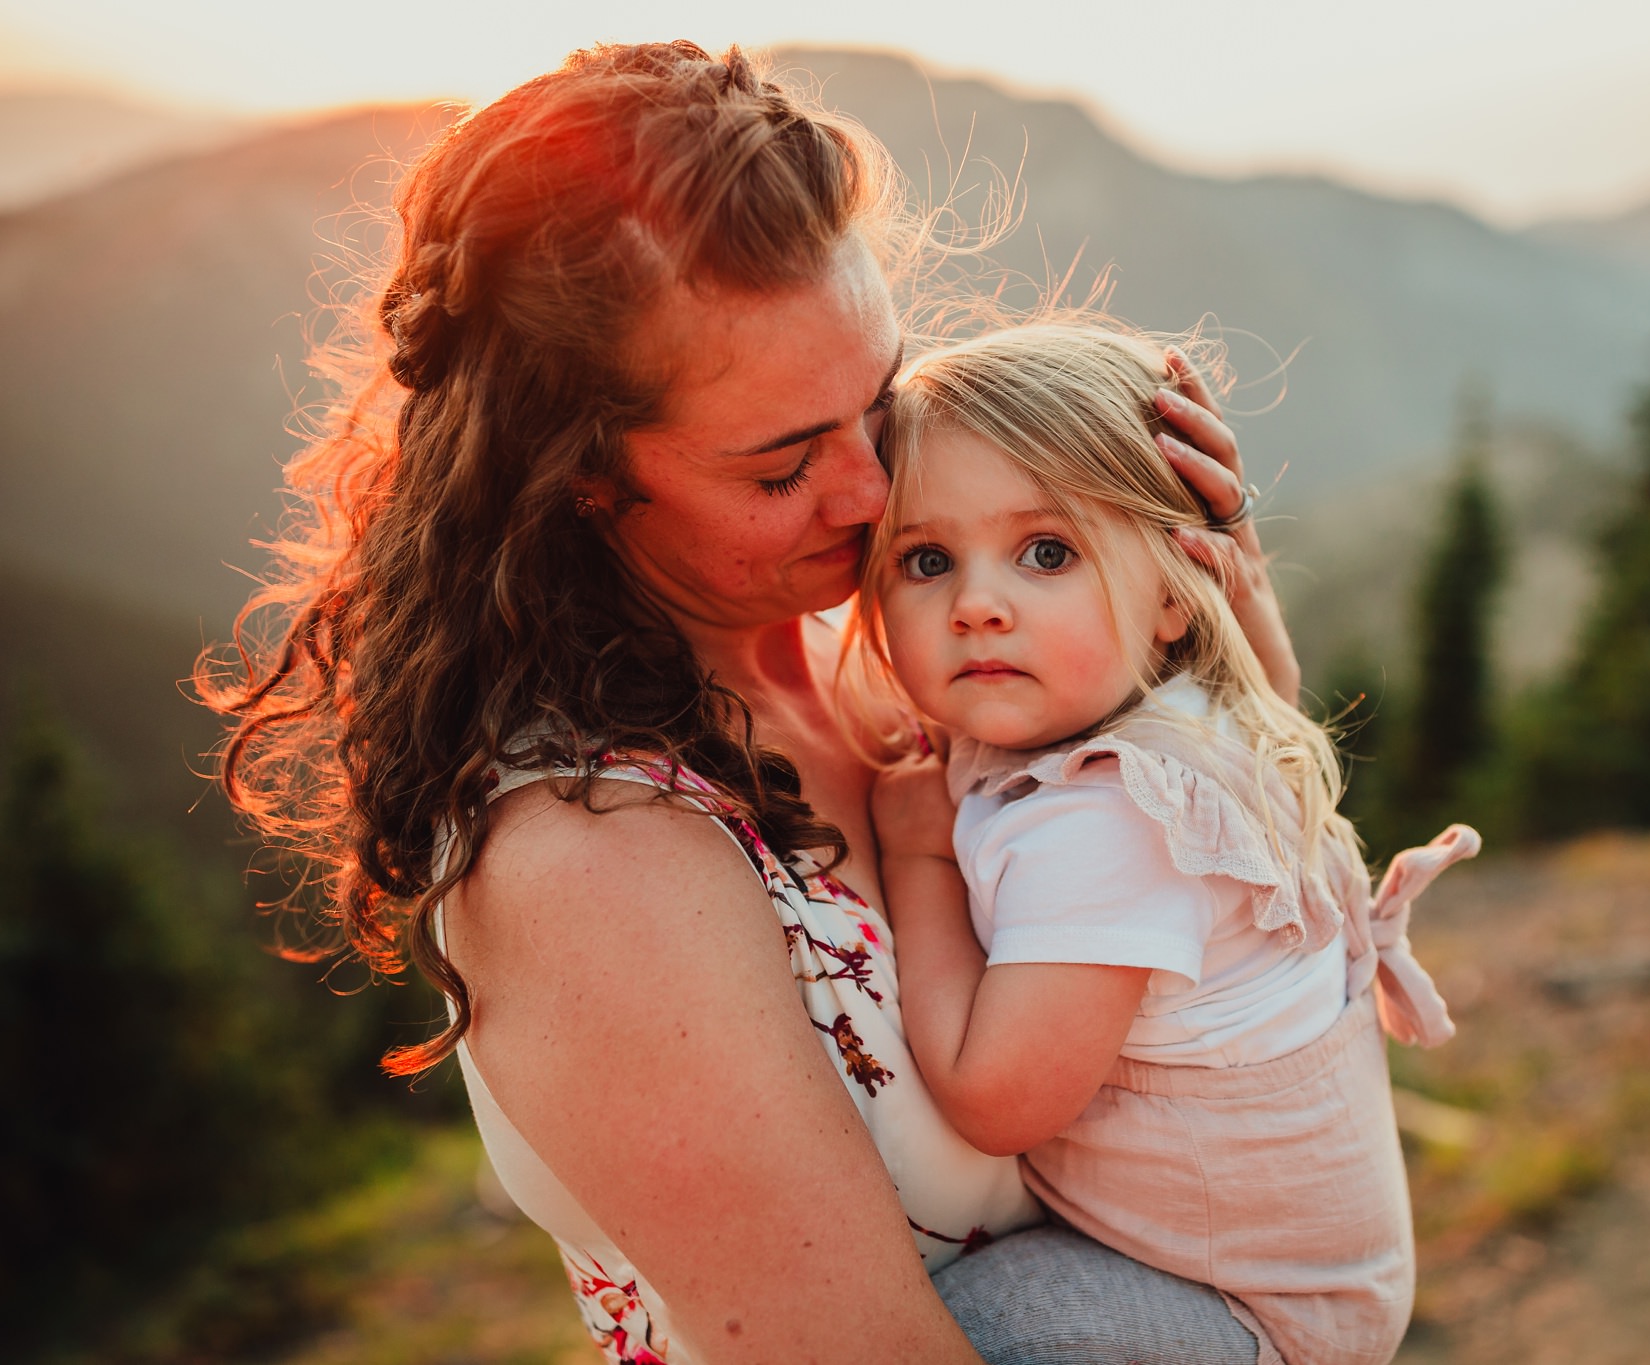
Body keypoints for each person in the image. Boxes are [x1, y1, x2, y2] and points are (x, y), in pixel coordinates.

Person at [203, 39, 1304, 1365]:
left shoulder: (890, 624)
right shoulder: (596, 856)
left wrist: (1212, 652)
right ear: (581, 479)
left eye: (877, 403)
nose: (864, 493)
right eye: (782, 467)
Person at [851, 324, 1480, 1365]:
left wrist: (916, 854)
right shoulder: (1179, 713)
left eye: (1045, 552)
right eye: (925, 559)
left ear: (1174, 600)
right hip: (1294, 1266)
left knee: (926, 1336)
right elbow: (1264, 682)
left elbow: (994, 1096)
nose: (975, 605)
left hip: (1243, 1306)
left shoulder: (1112, 816)